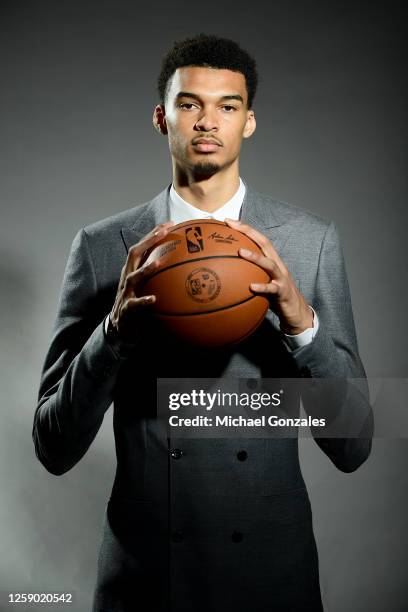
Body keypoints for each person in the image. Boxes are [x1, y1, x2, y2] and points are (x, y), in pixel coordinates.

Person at [33, 34, 373, 612]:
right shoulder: (100, 247)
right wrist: (112, 335)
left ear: (250, 122)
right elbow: (52, 445)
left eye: (228, 105)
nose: (207, 121)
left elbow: (354, 445)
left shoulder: (309, 242)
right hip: (146, 580)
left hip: (270, 577)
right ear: (162, 118)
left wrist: (301, 323)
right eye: (190, 104)